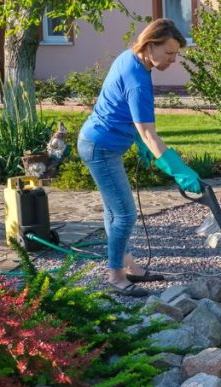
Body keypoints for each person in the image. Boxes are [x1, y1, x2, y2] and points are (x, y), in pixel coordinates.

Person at [77, 19, 203, 297]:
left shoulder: (129, 58)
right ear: (150, 45)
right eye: (169, 53)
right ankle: (115, 276)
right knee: (125, 214)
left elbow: (118, 107)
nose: (173, 59)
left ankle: (128, 265)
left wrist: (136, 139)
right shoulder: (139, 82)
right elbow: (149, 134)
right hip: (101, 148)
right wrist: (179, 170)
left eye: (176, 54)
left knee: (114, 211)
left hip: (96, 140)